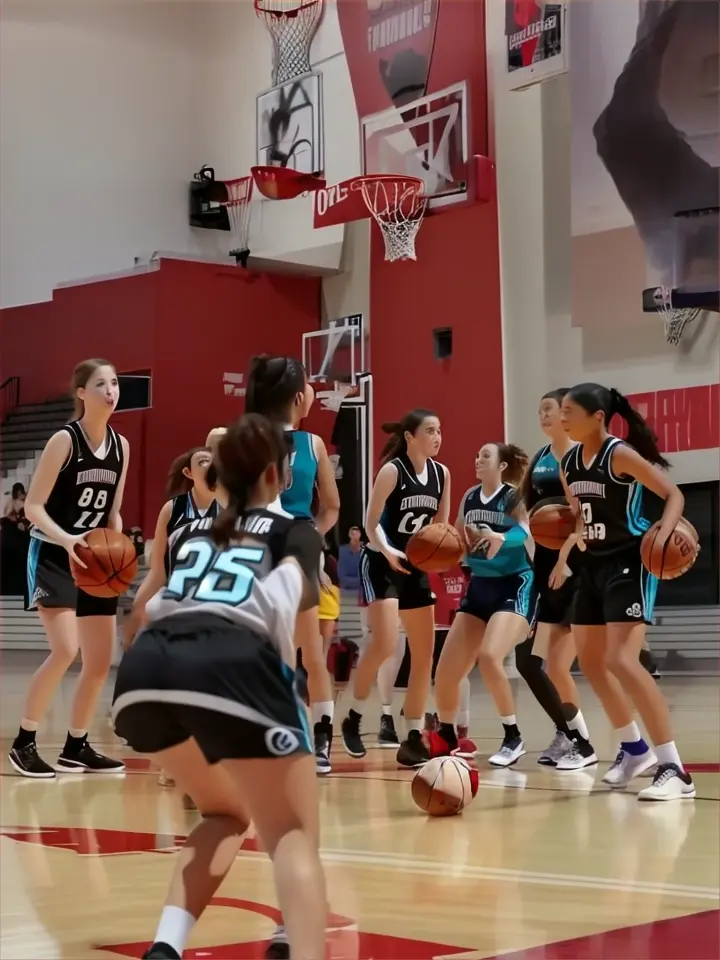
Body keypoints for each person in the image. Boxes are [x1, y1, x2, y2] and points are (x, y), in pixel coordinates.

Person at [112, 414, 327, 960]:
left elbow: (156, 606)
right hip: (231, 661)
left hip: (144, 674)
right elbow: (285, 604)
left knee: (225, 812)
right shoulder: (294, 531)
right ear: (278, 477)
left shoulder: (196, 535)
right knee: (292, 833)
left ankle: (166, 946)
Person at [557, 383, 695, 801]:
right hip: (592, 564)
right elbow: (579, 517)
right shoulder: (569, 462)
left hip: (628, 563)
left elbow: (674, 494)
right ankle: (634, 750)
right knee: (594, 664)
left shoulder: (618, 454)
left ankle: (675, 769)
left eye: (568, 411)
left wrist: (664, 534)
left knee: (621, 659)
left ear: (597, 417)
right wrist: (568, 534)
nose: (562, 417)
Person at [9, 359, 129, 778]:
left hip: (95, 560)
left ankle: (76, 745)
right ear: (81, 393)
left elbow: (113, 512)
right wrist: (69, 540)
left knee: (99, 660)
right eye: (101, 384)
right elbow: (34, 507)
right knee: (65, 649)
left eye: (114, 383)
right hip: (54, 555)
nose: (110, 390)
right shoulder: (64, 440)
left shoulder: (121, 446)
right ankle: (24, 742)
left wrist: (116, 543)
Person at [245, 355, 340, 777]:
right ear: (300, 396)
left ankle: (319, 736)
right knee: (270, 650)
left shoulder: (312, 444)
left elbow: (332, 508)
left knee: (308, 650)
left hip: (293, 544)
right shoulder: (248, 440)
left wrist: (311, 546)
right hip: (264, 544)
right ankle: (278, 729)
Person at [341, 408, 451, 769]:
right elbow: (371, 523)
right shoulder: (392, 471)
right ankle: (353, 717)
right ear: (410, 436)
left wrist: (443, 552)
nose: (437, 437)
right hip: (380, 563)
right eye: (430, 430)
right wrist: (388, 550)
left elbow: (441, 527)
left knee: (424, 656)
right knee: (386, 642)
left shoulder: (441, 474)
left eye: (439, 431)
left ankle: (413, 738)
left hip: (415, 567)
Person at [126, 445, 223, 790]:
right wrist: (141, 605)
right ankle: (176, 757)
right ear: (188, 473)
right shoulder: (173, 509)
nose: (210, 464)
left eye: (214, 460)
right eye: (201, 460)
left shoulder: (230, 507)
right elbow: (158, 569)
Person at [431, 443, 533, 767]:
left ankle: (513, 736)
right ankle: (447, 736)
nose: (478, 459)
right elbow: (459, 536)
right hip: (480, 585)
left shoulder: (512, 496)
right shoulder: (470, 497)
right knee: (446, 671)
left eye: (485, 455)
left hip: (515, 582)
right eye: (476, 455)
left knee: (490, 657)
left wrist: (501, 538)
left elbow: (525, 531)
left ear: (502, 466)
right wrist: (443, 548)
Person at [516, 389, 598, 770]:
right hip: (544, 568)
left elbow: (582, 519)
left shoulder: (575, 458)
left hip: (572, 568)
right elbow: (527, 512)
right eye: (540, 411)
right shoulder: (541, 458)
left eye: (549, 408)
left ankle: (582, 743)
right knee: (529, 661)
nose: (544, 416)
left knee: (553, 665)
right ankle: (570, 733)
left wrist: (565, 558)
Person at [337, 525, 362, 592]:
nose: (354, 535)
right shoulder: (343, 550)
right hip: (347, 587)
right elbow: (341, 575)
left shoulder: (366, 550)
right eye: (352, 534)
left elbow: (367, 575)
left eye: (357, 532)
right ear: (349, 535)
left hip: (363, 589)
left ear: (360, 534)